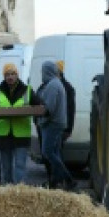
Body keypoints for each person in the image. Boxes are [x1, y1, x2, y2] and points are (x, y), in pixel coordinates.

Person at [0, 63, 40, 185]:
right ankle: (8, 189)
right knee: (6, 166)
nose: (10, 77)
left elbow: (39, 105)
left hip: (21, 134)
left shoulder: (27, 90)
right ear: (4, 76)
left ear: (17, 75)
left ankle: (19, 190)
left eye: (13, 74)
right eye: (7, 74)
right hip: (3, 134)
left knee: (20, 164)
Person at [37, 60, 77, 191]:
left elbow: (49, 108)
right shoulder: (57, 83)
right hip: (57, 123)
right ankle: (56, 180)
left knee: (47, 152)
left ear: (46, 71)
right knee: (54, 153)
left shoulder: (52, 86)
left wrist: (40, 114)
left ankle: (68, 179)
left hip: (52, 124)